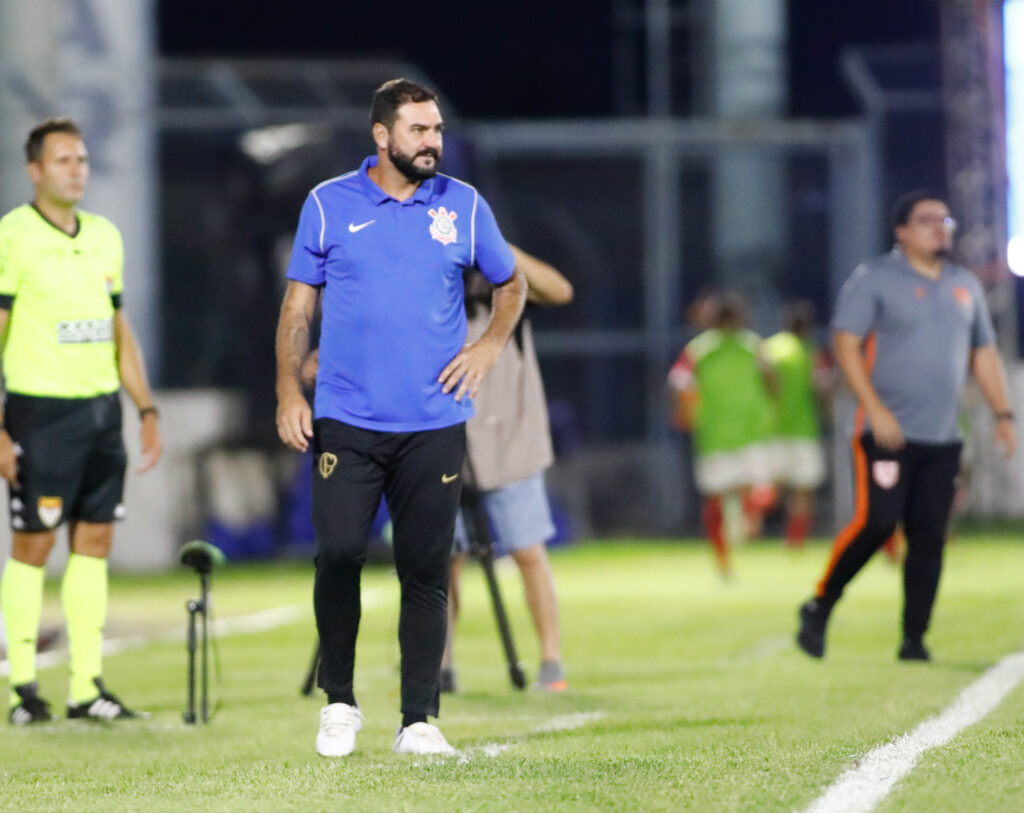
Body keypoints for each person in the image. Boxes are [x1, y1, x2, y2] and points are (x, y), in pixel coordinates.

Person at [275, 79, 526, 758]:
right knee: (339, 554)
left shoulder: (464, 206)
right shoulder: (328, 204)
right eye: (418, 130)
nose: (433, 141)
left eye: (437, 128)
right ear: (382, 136)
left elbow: (511, 282)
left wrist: (488, 345)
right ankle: (340, 702)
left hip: (433, 419)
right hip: (347, 417)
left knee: (424, 568)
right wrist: (289, 394)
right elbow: (298, 310)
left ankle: (418, 718)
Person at [796, 191, 1016, 662]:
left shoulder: (964, 285)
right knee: (877, 523)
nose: (940, 228)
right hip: (887, 433)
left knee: (928, 536)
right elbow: (846, 343)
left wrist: (1004, 415)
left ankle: (914, 637)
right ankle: (821, 604)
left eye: (945, 220)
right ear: (901, 231)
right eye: (926, 220)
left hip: (942, 436)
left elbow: (984, 353)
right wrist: (873, 406)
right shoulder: (875, 278)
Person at [0, 118, 162, 725]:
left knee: (94, 545)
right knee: (33, 547)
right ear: (34, 170)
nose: (77, 170)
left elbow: (119, 331)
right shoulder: (12, 236)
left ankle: (85, 686)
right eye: (64, 160)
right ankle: (21, 689)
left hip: (101, 414)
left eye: (83, 160)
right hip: (40, 415)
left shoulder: (104, 237)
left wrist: (144, 409)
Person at [441, 244, 573, 694]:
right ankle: (440, 667)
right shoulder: (430, 283)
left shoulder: (505, 283)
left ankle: (551, 664)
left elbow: (559, 290)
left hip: (511, 439)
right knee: (443, 561)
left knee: (528, 552)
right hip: (446, 444)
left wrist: (498, 245)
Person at [668, 292, 776, 576]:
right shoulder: (753, 345)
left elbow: (679, 383)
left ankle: (722, 557)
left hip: (714, 432)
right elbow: (770, 377)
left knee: (715, 498)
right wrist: (771, 404)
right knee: (756, 488)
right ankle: (746, 519)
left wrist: (685, 412)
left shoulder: (699, 349)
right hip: (752, 430)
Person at [762, 301, 832, 548]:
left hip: (773, 426)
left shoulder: (769, 348)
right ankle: (795, 540)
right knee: (802, 490)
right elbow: (822, 387)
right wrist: (828, 414)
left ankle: (754, 524)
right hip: (804, 428)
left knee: (771, 483)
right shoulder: (812, 352)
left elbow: (761, 379)